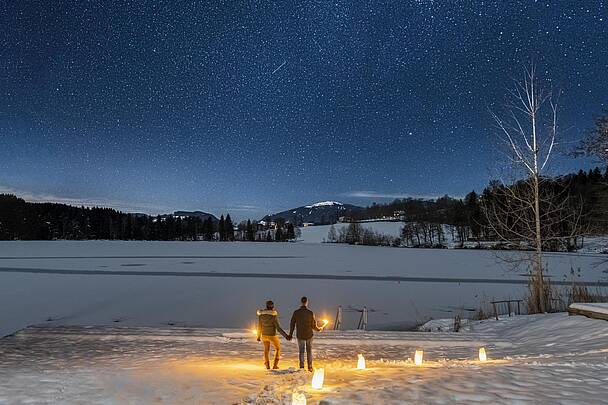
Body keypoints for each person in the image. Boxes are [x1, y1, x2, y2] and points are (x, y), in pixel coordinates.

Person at [289, 296, 324, 371]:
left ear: (301, 302)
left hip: (300, 335)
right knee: (309, 351)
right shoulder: (310, 313)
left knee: (301, 351)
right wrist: (319, 329)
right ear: (307, 302)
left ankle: (302, 367)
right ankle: (310, 367)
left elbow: (292, 324)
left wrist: (290, 334)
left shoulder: (296, 312)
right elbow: (313, 325)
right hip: (309, 335)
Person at [257, 300, 290, 370]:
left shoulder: (261, 315)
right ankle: (275, 365)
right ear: (272, 307)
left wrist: (258, 336)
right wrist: (286, 336)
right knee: (278, 349)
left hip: (264, 335)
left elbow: (259, 326)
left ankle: (267, 365)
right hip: (272, 335)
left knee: (266, 350)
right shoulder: (273, 316)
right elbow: (278, 328)